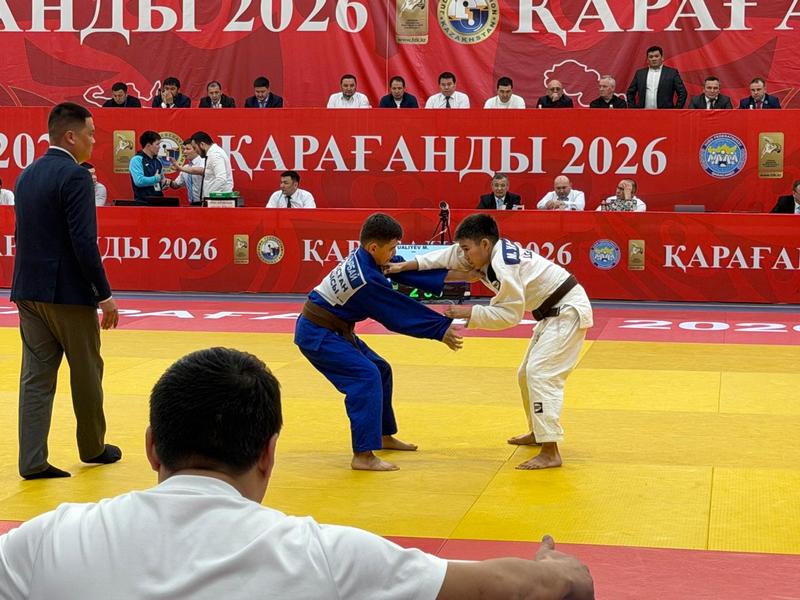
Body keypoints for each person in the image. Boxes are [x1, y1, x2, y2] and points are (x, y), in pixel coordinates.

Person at [0, 347, 595, 599]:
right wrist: (562, 571)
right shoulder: (330, 557)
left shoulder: (44, 540)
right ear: (268, 453)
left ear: (152, 447)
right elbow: (517, 588)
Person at [387, 214, 593, 470]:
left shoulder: (503, 264)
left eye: (467, 249)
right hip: (552, 313)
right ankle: (539, 432)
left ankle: (550, 450)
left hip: (567, 311)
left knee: (540, 375)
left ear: (484, 244)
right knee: (525, 374)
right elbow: (445, 256)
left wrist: (469, 312)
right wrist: (405, 267)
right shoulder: (482, 252)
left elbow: (510, 315)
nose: (464, 255)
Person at [295, 213, 465, 471]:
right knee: (366, 377)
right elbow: (396, 312)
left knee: (381, 369)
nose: (394, 253)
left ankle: (383, 435)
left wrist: (455, 276)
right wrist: (439, 328)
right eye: (392, 248)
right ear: (374, 247)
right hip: (318, 333)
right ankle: (363, 455)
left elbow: (402, 268)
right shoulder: (365, 278)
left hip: (334, 329)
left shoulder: (367, 257)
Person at [9, 102, 121, 480]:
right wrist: (103, 295)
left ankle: (32, 460)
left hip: (27, 289)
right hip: (68, 294)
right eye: (90, 134)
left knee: (35, 379)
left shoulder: (26, 175)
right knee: (86, 371)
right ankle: (92, 447)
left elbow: (24, 234)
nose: (94, 140)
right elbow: (84, 242)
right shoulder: (75, 177)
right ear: (71, 136)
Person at [189, 131, 234, 197]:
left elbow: (221, 179)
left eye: (195, 148)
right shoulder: (212, 153)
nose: (195, 151)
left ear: (202, 144)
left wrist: (209, 196)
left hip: (217, 200)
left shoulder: (215, 154)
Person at [129, 130, 166, 204]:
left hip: (159, 202)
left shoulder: (158, 161)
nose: (159, 147)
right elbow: (139, 181)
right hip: (143, 203)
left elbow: (161, 179)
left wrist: (164, 183)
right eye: (157, 144)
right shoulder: (137, 160)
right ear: (148, 145)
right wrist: (156, 179)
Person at [169, 140, 204, 205]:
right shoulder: (186, 167)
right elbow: (176, 185)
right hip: (193, 204)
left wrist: (180, 168)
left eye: (188, 149)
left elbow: (201, 171)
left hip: (206, 204)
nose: (184, 152)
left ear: (196, 149)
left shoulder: (204, 161)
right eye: (183, 149)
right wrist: (168, 182)